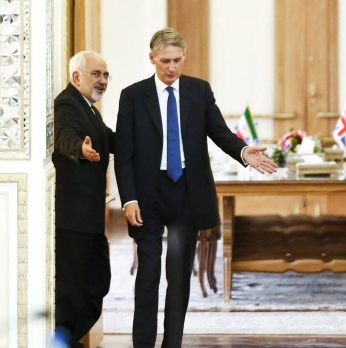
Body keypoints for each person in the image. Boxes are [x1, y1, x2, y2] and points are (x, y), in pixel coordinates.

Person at [114, 28, 277, 348]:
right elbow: (124, 154)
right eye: (165, 61)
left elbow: (219, 131)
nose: (172, 67)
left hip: (186, 194)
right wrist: (128, 198)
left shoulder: (198, 91)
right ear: (152, 59)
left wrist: (244, 152)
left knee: (178, 279)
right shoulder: (132, 96)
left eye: (177, 60)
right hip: (148, 195)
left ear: (184, 57)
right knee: (148, 278)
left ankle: (171, 344)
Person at [52, 50, 116, 348]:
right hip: (73, 215)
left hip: (90, 216)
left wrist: (146, 139)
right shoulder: (67, 102)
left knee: (97, 280)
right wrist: (80, 148)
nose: (103, 81)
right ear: (76, 77)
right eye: (97, 74)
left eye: (105, 75)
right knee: (71, 288)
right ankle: (64, 341)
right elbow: (64, 136)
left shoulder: (89, 109)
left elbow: (108, 138)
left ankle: (71, 337)